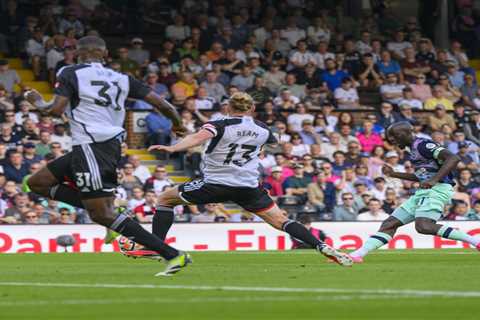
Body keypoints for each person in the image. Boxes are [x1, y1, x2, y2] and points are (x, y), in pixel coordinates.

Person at [24, 36, 191, 275]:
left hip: (93, 146)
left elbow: (54, 110)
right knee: (38, 183)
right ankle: (116, 214)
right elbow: (164, 105)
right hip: (102, 145)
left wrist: (36, 100)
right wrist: (176, 124)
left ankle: (172, 255)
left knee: (101, 214)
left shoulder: (70, 72)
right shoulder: (122, 78)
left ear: (78, 54)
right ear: (104, 55)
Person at [146, 92, 352, 266]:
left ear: (227, 107)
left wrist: (173, 147)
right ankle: (322, 246)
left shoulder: (219, 124)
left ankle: (157, 247)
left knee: (165, 199)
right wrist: (292, 159)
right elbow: (276, 143)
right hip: (248, 187)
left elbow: (196, 138)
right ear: (252, 108)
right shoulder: (262, 129)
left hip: (216, 184)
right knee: (281, 220)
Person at [350, 122, 480, 263]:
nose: (392, 142)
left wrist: (434, 180)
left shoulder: (423, 145)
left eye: (393, 139)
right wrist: (394, 174)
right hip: (424, 190)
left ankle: (475, 241)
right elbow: (422, 176)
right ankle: (357, 254)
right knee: (389, 223)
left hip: (438, 188)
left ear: (402, 134)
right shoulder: (412, 149)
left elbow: (453, 158)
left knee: (424, 226)